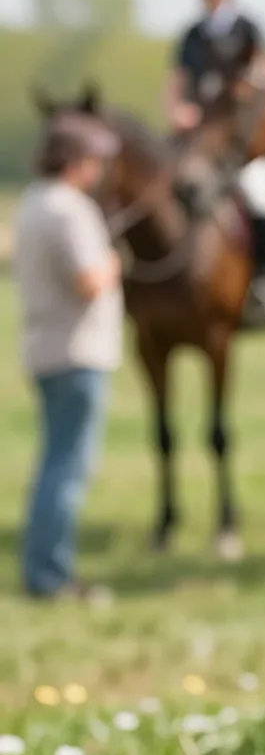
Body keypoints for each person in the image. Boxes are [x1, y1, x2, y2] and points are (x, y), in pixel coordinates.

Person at [15, 110, 123, 600]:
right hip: (77, 354)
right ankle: (50, 577)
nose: (98, 168)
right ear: (76, 160)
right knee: (67, 470)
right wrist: (113, 263)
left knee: (53, 464)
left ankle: (42, 569)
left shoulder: (33, 202)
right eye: (94, 159)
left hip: (45, 349)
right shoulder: (70, 210)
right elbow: (88, 282)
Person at [169, 0, 265, 326]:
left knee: (260, 194)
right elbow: (177, 83)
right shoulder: (191, 36)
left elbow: (261, 83)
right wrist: (178, 110)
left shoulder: (248, 31)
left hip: (237, 143)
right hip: (200, 139)